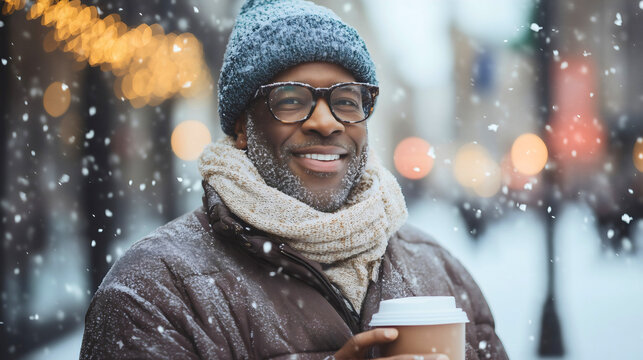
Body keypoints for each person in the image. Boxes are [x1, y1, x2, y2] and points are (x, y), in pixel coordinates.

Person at [80, 0, 509, 359]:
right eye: (291, 100)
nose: (326, 122)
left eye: (345, 100)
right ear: (243, 128)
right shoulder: (155, 293)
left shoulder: (438, 270)